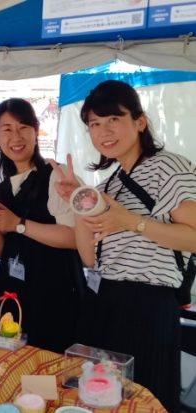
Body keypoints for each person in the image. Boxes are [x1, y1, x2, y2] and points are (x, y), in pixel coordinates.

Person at [52, 80, 196, 413]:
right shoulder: (109, 185)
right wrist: (79, 201)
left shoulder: (168, 167)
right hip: (105, 301)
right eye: (94, 124)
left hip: (149, 306)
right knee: (101, 400)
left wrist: (130, 221)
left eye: (113, 119)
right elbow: (89, 258)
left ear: (140, 121)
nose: (103, 131)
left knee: (144, 399)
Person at [0, 98, 85, 354]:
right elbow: (0, 251)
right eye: (7, 129)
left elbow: (74, 238)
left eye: (23, 127)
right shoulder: (2, 189)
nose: (16, 137)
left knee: (49, 365)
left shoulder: (57, 176)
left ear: (36, 131)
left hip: (55, 295)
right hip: (13, 297)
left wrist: (19, 224)